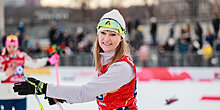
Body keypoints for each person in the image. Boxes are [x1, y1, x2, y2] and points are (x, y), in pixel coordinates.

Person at [13, 9, 138, 110]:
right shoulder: (106, 62)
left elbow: (85, 92)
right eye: (103, 33)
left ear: (121, 38)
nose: (106, 39)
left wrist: (43, 88)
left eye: (113, 34)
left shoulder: (122, 67)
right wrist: (62, 97)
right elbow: (96, 93)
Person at [0, 35, 55, 110]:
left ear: (17, 46)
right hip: (4, 95)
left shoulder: (22, 56)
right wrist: (6, 74)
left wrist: (48, 61)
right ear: (6, 46)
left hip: (20, 95)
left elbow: (34, 63)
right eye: (9, 46)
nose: (12, 49)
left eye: (14, 46)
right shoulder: (1, 58)